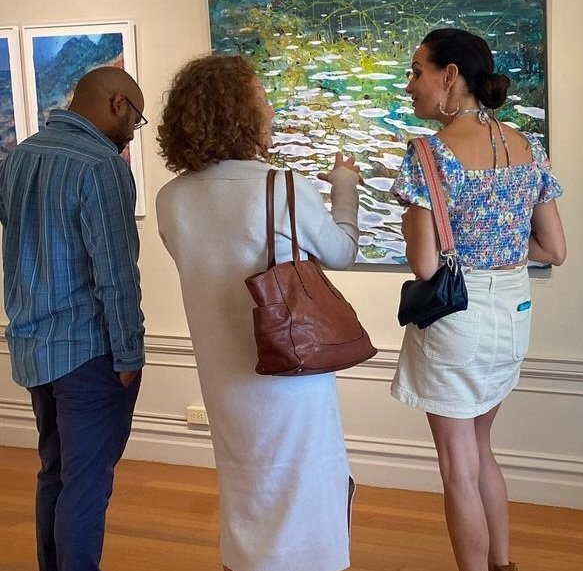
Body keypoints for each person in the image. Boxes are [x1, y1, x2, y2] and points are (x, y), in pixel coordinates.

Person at [155, 55, 361, 571]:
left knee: (246, 479)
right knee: (306, 480)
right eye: (261, 97)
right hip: (287, 368)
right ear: (239, 112)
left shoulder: (170, 199)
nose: (269, 108)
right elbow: (341, 252)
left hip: (222, 371)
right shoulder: (282, 187)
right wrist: (343, 189)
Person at [391, 29, 566, 571]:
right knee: (482, 449)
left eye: (417, 70)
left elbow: (424, 265)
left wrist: (410, 225)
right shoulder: (526, 145)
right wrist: (504, 250)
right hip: (513, 312)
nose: (409, 83)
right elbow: (555, 249)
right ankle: (502, 563)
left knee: (457, 466)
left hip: (456, 318)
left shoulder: (428, 154)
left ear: (450, 76)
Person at [0, 66, 145, 571]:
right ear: (117, 103)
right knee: (86, 483)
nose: (133, 132)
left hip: (33, 345)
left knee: (55, 473)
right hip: (89, 351)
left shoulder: (20, 156)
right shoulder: (102, 165)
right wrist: (129, 353)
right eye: (136, 119)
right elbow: (116, 273)